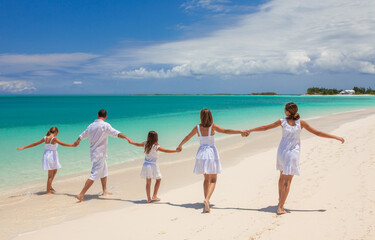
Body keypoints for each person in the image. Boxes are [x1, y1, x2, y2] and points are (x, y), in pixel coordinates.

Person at [245, 102, 344, 214]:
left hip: (282, 152)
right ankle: (280, 208)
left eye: (285, 109)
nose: (284, 111)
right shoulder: (300, 123)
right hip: (292, 153)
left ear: (288, 111)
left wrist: (250, 130)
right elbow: (318, 133)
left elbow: (265, 128)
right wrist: (336, 137)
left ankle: (280, 201)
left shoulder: (282, 121)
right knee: (288, 181)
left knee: (282, 177)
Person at [177, 108, 247, 213]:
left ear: (201, 116)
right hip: (211, 153)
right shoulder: (212, 126)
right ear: (210, 116)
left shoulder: (197, 128)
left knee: (206, 179)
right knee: (213, 179)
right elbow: (226, 131)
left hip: (201, 154)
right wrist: (240, 131)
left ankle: (206, 200)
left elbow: (188, 137)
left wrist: (180, 145)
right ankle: (207, 199)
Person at [74, 109, 133, 202]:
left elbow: (82, 135)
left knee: (104, 171)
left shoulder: (91, 126)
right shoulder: (105, 125)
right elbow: (116, 133)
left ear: (98, 115)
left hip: (96, 153)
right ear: (105, 117)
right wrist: (126, 137)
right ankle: (81, 194)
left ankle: (104, 190)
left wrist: (77, 141)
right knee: (94, 175)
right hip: (100, 154)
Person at [16, 127, 77, 194]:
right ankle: (48, 192)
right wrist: (72, 145)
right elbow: (62, 144)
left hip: (48, 156)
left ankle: (50, 186)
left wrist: (24, 147)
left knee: (55, 170)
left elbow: (35, 143)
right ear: (56, 132)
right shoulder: (54, 138)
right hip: (51, 157)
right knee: (50, 175)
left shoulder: (45, 138)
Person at [130, 131, 180, 203]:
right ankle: (154, 195)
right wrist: (176, 151)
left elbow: (137, 144)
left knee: (148, 182)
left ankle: (149, 198)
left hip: (146, 165)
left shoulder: (145, 144)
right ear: (156, 138)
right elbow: (166, 150)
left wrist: (132, 142)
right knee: (158, 179)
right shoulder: (156, 147)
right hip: (153, 165)